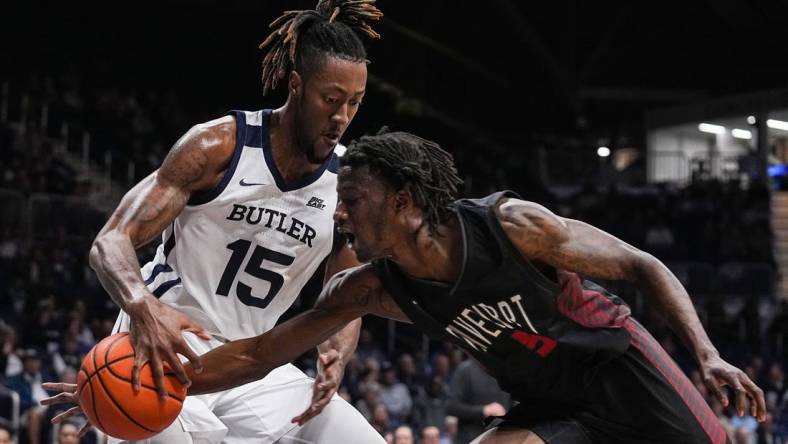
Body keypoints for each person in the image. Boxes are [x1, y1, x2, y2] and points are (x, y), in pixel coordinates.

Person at [46, 131, 767, 443]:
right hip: (555, 405)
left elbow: (644, 264)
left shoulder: (512, 226)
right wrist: (154, 383)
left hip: (626, 376)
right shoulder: (369, 287)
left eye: (352, 199)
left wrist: (705, 355)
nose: (338, 212)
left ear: (400, 200)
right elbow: (258, 356)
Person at [44, 1, 384, 443]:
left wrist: (336, 352)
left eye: (354, 103)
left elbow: (346, 291)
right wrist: (141, 306)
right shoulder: (218, 146)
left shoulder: (345, 184)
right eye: (331, 100)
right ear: (297, 85)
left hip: (250, 362)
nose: (341, 118)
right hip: (162, 349)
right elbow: (111, 241)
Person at [446, 357, 511, 443]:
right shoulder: (466, 369)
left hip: (499, 438)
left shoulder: (506, 372)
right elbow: (451, 406)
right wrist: (484, 410)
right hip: (471, 438)